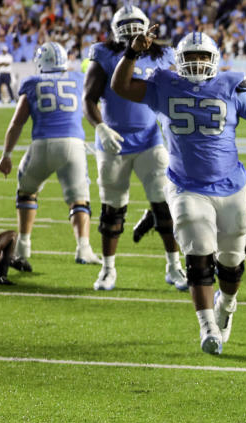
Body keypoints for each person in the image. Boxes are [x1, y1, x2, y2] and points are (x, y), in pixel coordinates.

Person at [111, 28, 246, 354]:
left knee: (232, 262)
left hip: (232, 187)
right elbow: (120, 86)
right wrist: (132, 52)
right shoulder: (164, 85)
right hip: (185, 186)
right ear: (178, 61)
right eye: (190, 57)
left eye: (202, 57)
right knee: (198, 254)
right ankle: (206, 326)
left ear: (215, 60)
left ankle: (228, 305)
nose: (196, 63)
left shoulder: (230, 86)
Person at [85, 5, 187, 292]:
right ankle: (108, 270)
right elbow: (89, 98)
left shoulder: (163, 54)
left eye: (135, 25)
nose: (130, 31)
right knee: (112, 209)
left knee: (164, 204)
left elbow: (174, 92)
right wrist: (100, 127)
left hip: (149, 139)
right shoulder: (104, 53)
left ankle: (173, 266)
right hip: (113, 142)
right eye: (125, 25)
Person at [0, 42, 102, 268]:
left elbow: (17, 122)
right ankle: (83, 248)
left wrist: (6, 154)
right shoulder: (77, 79)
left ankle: (23, 247)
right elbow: (93, 105)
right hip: (73, 144)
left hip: (42, 145)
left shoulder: (32, 82)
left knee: (26, 191)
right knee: (79, 199)